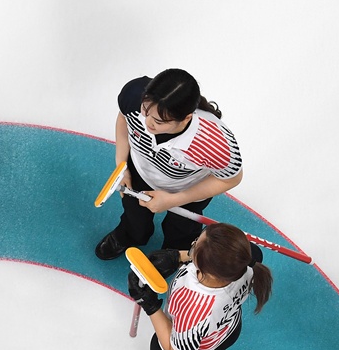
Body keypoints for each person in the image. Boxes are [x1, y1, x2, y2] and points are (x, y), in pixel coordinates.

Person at [95, 68, 243, 260]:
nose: (148, 122)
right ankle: (129, 235)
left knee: (181, 231)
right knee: (134, 217)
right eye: (146, 111)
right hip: (140, 173)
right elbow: (124, 119)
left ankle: (172, 256)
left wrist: (175, 200)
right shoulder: (134, 95)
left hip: (187, 189)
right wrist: (122, 165)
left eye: (159, 121)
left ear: (186, 118)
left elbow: (230, 179)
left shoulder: (215, 143)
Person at [128, 222, 271, 350]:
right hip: (224, 332)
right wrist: (179, 256)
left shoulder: (195, 306)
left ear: (208, 268)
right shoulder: (247, 263)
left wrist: (150, 305)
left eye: (195, 245)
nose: (193, 244)